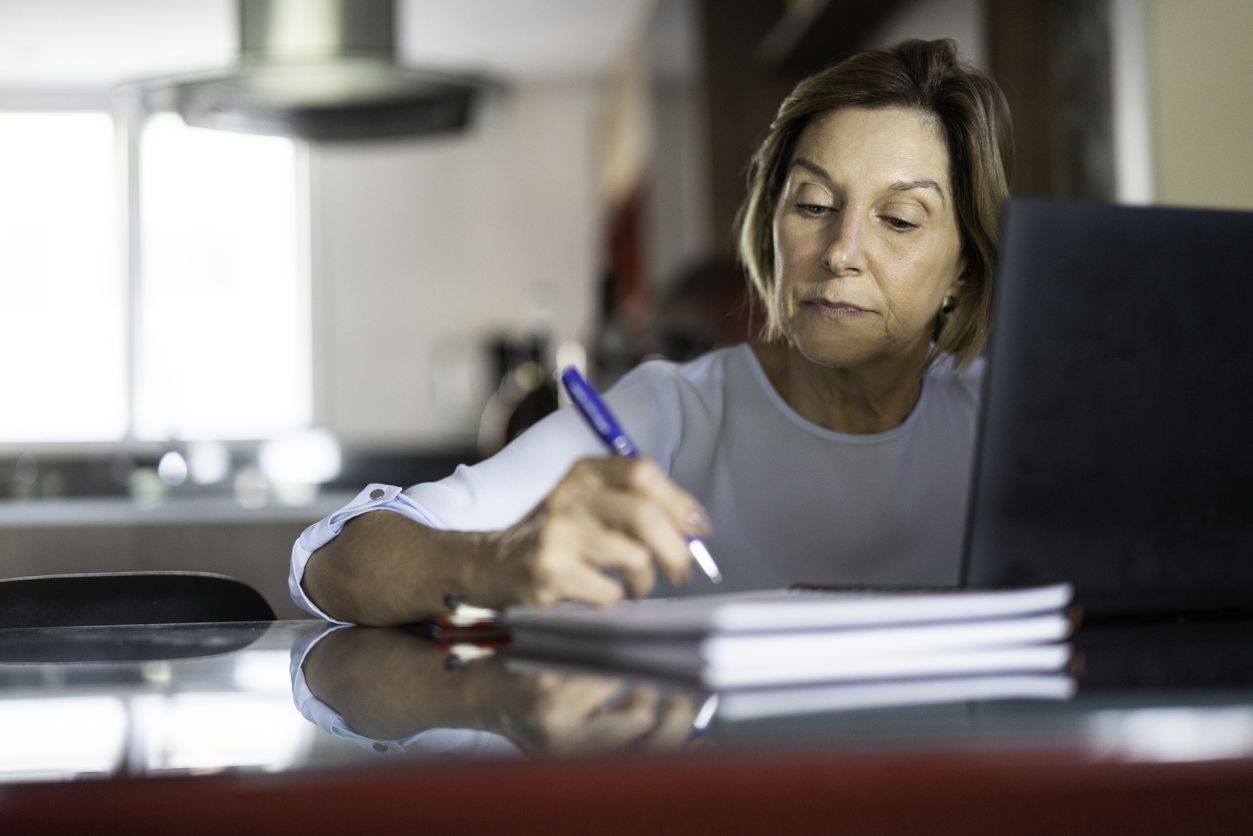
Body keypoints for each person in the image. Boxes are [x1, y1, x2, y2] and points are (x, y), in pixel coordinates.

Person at [290, 38, 1014, 626]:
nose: (840, 251)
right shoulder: (669, 414)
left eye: (898, 220)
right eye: (813, 203)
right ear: (772, 226)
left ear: (962, 269)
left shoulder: (1010, 429)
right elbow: (327, 559)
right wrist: (490, 563)